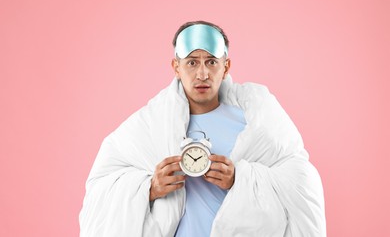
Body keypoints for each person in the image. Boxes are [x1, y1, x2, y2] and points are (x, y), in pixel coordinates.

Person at [79, 21, 326, 236]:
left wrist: (241, 179)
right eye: (191, 63)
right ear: (176, 67)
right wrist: (150, 188)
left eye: (211, 62)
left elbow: (301, 181)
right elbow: (101, 188)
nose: (202, 74)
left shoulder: (257, 122)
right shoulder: (150, 125)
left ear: (226, 66)